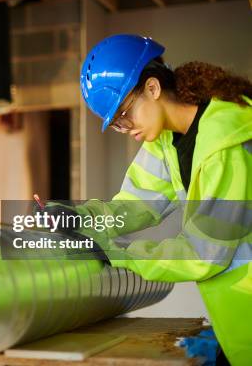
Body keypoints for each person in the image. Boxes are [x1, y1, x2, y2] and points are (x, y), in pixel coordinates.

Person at [51, 34, 250, 364]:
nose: (125, 127)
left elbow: (205, 253)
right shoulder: (166, 141)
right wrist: (79, 218)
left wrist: (119, 252)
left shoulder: (226, 146)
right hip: (238, 326)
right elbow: (137, 203)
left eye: (125, 113)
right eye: (116, 124)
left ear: (153, 88)